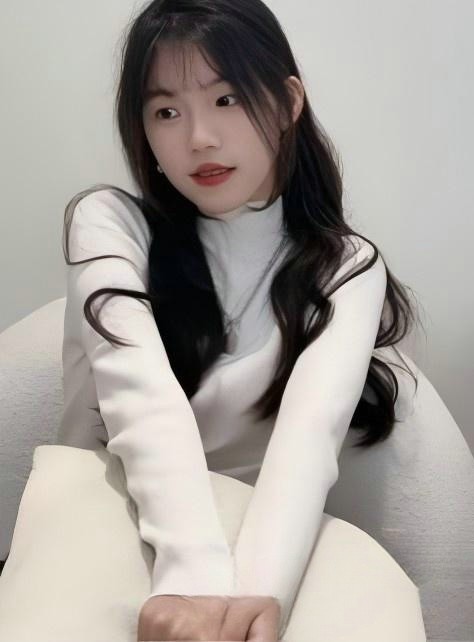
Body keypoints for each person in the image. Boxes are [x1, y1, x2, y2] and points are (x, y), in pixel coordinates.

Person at [58, 0, 422, 639]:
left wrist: (256, 595)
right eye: (166, 112)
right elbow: (140, 397)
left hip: (258, 550)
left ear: (286, 103)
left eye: (226, 99)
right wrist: (193, 579)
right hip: (101, 524)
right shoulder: (109, 224)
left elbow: (309, 438)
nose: (199, 137)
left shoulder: (346, 266)